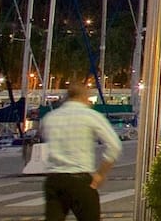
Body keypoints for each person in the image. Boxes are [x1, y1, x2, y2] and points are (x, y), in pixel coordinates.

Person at [38, 84, 122, 221]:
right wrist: (100, 173)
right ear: (84, 97)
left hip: (54, 179)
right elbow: (114, 146)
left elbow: (45, 137)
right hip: (80, 179)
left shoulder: (50, 117)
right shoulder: (91, 116)